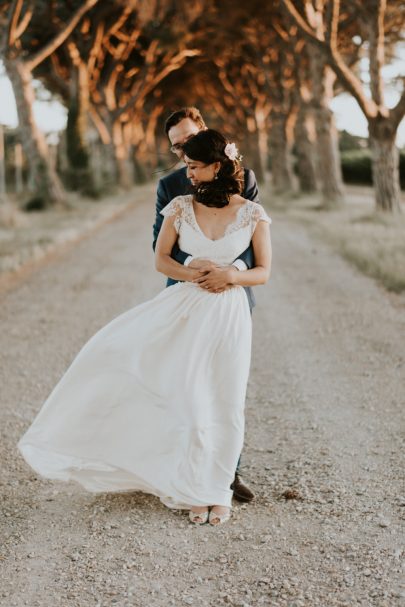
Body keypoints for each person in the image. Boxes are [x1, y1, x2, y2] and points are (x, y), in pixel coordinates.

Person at [18, 129, 272, 526]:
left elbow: (263, 270)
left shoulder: (253, 213)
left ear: (217, 165)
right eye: (186, 166)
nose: (187, 173)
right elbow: (162, 261)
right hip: (185, 308)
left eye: (193, 166)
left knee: (225, 399)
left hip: (229, 313)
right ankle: (193, 488)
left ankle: (218, 490)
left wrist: (231, 276)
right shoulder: (179, 207)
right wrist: (192, 272)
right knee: (187, 396)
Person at [153, 107, 259, 503]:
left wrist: (231, 272)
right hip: (185, 296)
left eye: (187, 143)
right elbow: (158, 246)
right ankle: (185, 469)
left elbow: (252, 239)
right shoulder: (170, 188)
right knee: (187, 384)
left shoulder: (243, 179)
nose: (182, 155)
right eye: (176, 147)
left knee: (226, 386)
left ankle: (228, 474)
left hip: (233, 296)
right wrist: (192, 266)